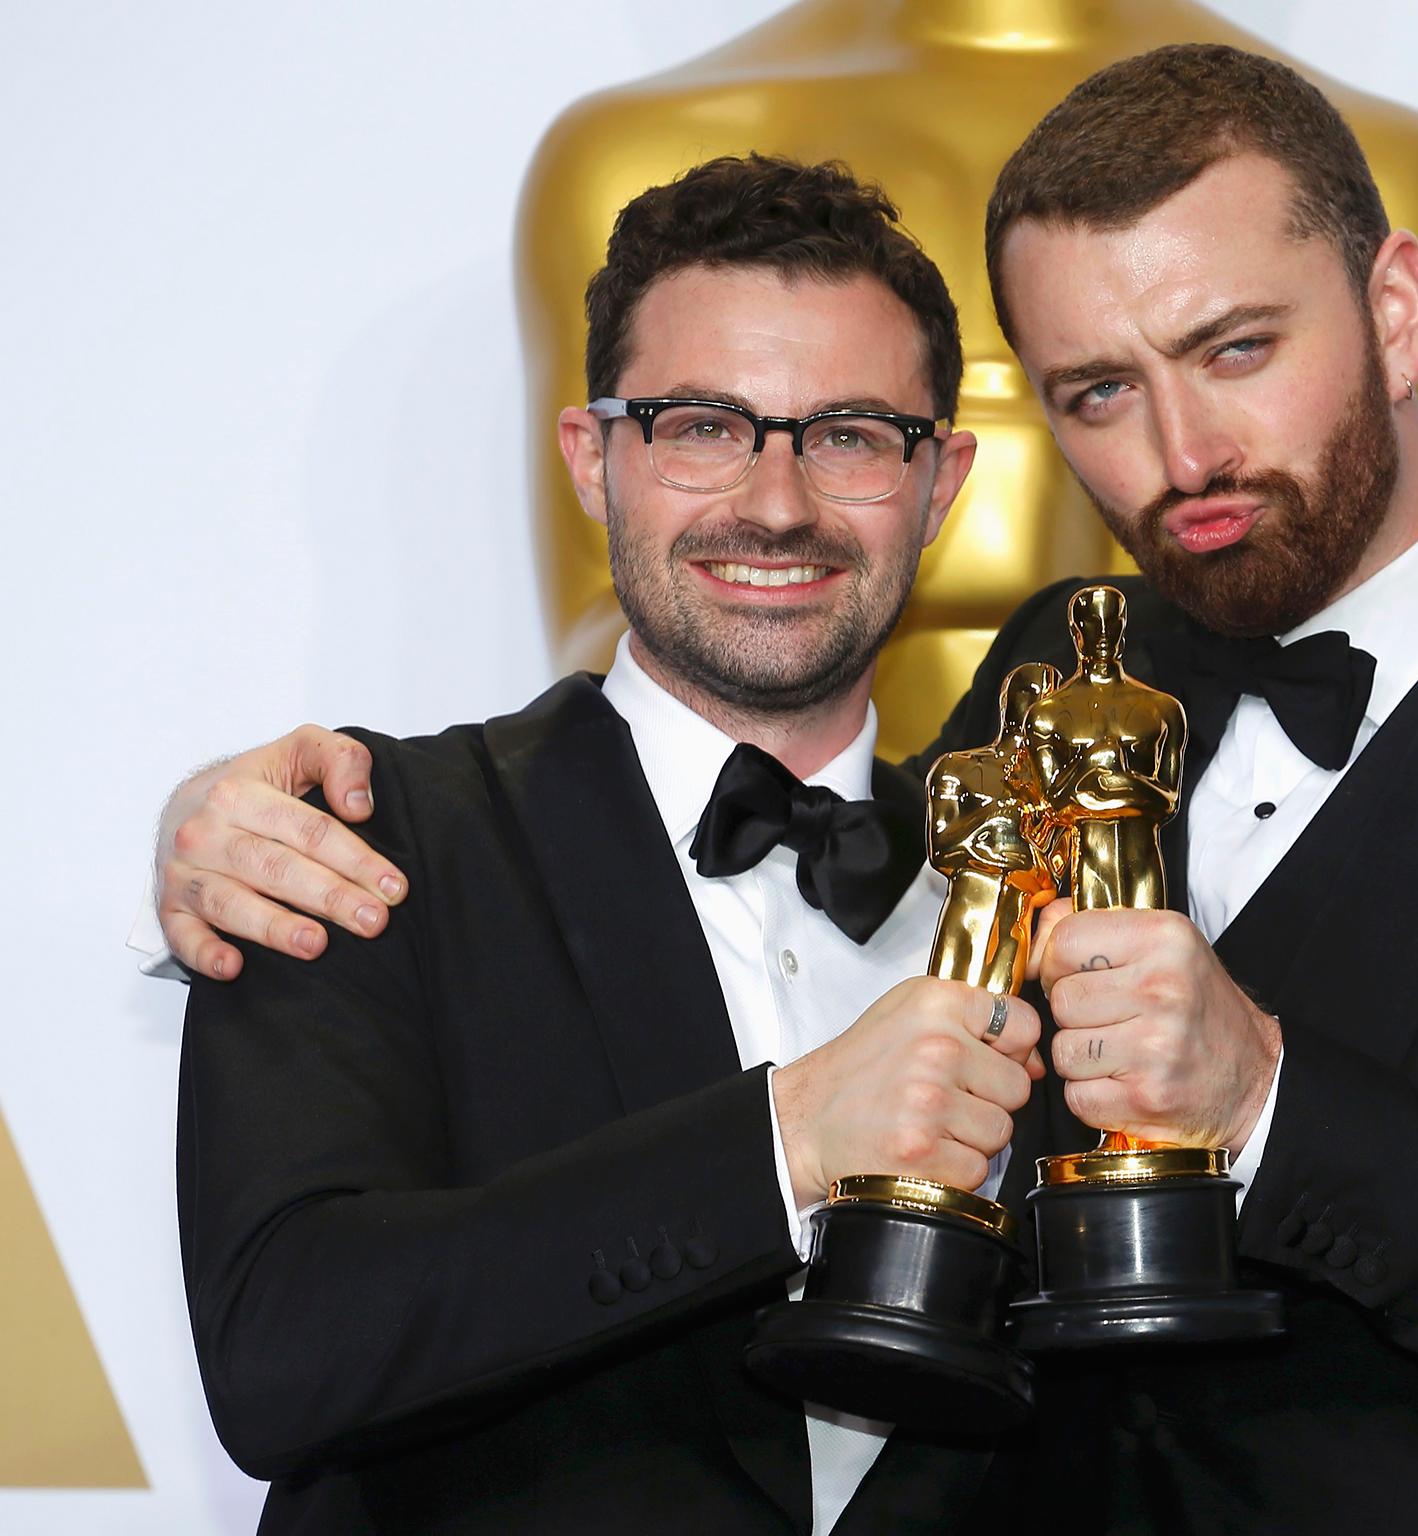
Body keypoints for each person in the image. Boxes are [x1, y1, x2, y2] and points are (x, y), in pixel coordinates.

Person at [154, 46, 1418, 1535]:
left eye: (1239, 348)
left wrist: (1265, 1096)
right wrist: (227, 818)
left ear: (1396, 310)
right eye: (1100, 395)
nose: (1183, 455)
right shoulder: (1062, 664)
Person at [173, 154, 1057, 1534]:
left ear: (939, 481)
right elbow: (291, 1353)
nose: (776, 503)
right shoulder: (353, 840)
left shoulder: (1033, 881)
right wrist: (785, 1139)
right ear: (596, 458)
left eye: (849, 435)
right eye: (703, 425)